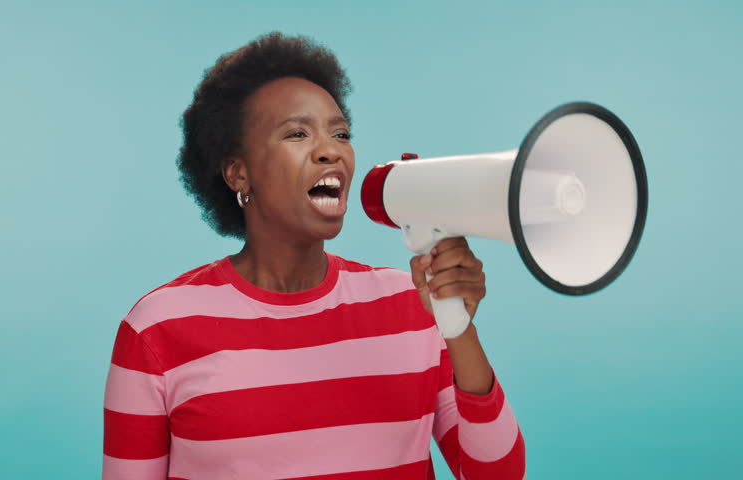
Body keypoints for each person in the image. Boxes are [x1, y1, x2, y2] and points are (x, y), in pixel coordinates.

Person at [102, 32, 526, 480]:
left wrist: (457, 325)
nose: (331, 150)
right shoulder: (158, 328)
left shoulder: (411, 304)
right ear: (238, 173)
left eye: (341, 133)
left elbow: (496, 474)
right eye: (297, 133)